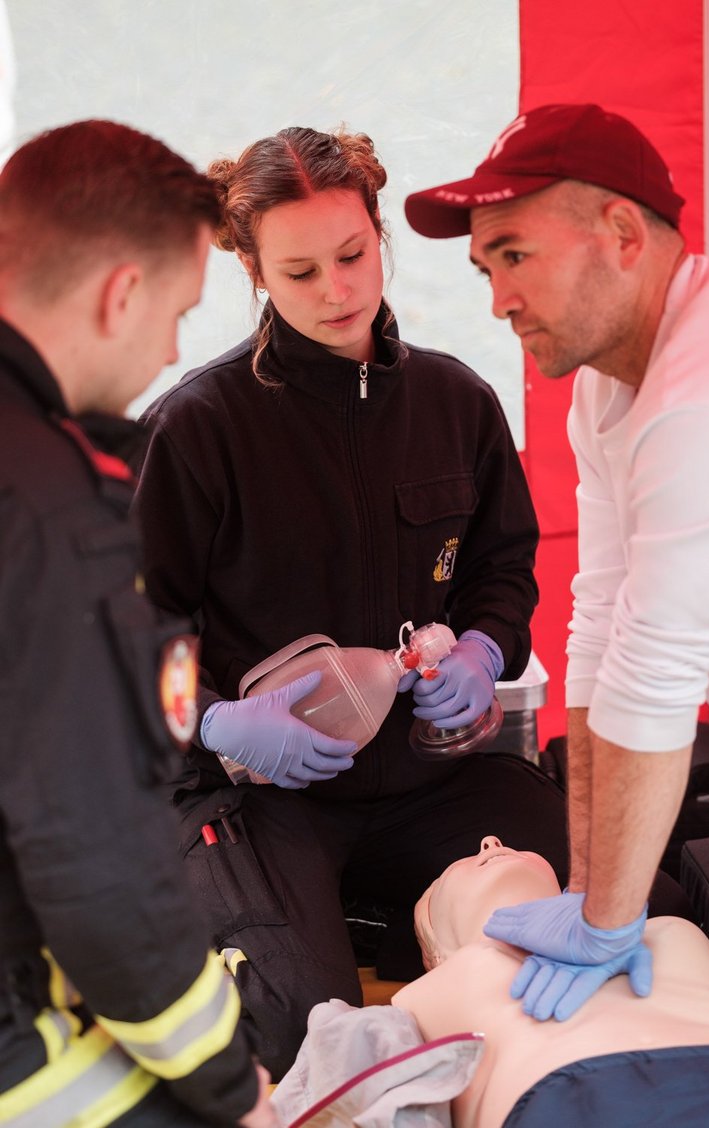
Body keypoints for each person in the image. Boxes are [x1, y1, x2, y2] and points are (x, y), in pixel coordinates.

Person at [132, 124, 572, 1080]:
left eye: (352, 255)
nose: (337, 291)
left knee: (561, 943)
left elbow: (505, 570)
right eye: (299, 272)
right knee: (297, 1030)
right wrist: (217, 723)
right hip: (265, 798)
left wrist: (484, 654)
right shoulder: (193, 431)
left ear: (380, 233)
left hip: (435, 782)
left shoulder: (458, 403)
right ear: (252, 270)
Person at [403, 101, 709, 1020]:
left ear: (623, 233)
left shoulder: (708, 391)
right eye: (485, 268)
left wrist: (610, 919)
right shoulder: (606, 385)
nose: (497, 299)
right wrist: (594, 891)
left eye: (514, 255)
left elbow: (659, 670)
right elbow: (600, 626)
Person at [0, 119, 275, 1126]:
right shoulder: (50, 513)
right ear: (121, 293)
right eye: (176, 314)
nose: (169, 352)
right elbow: (98, 869)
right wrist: (227, 1080)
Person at [272, 839, 709, 1127]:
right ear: (434, 953)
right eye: (450, 874)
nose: (490, 842)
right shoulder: (417, 999)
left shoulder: (662, 928)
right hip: (578, 1104)